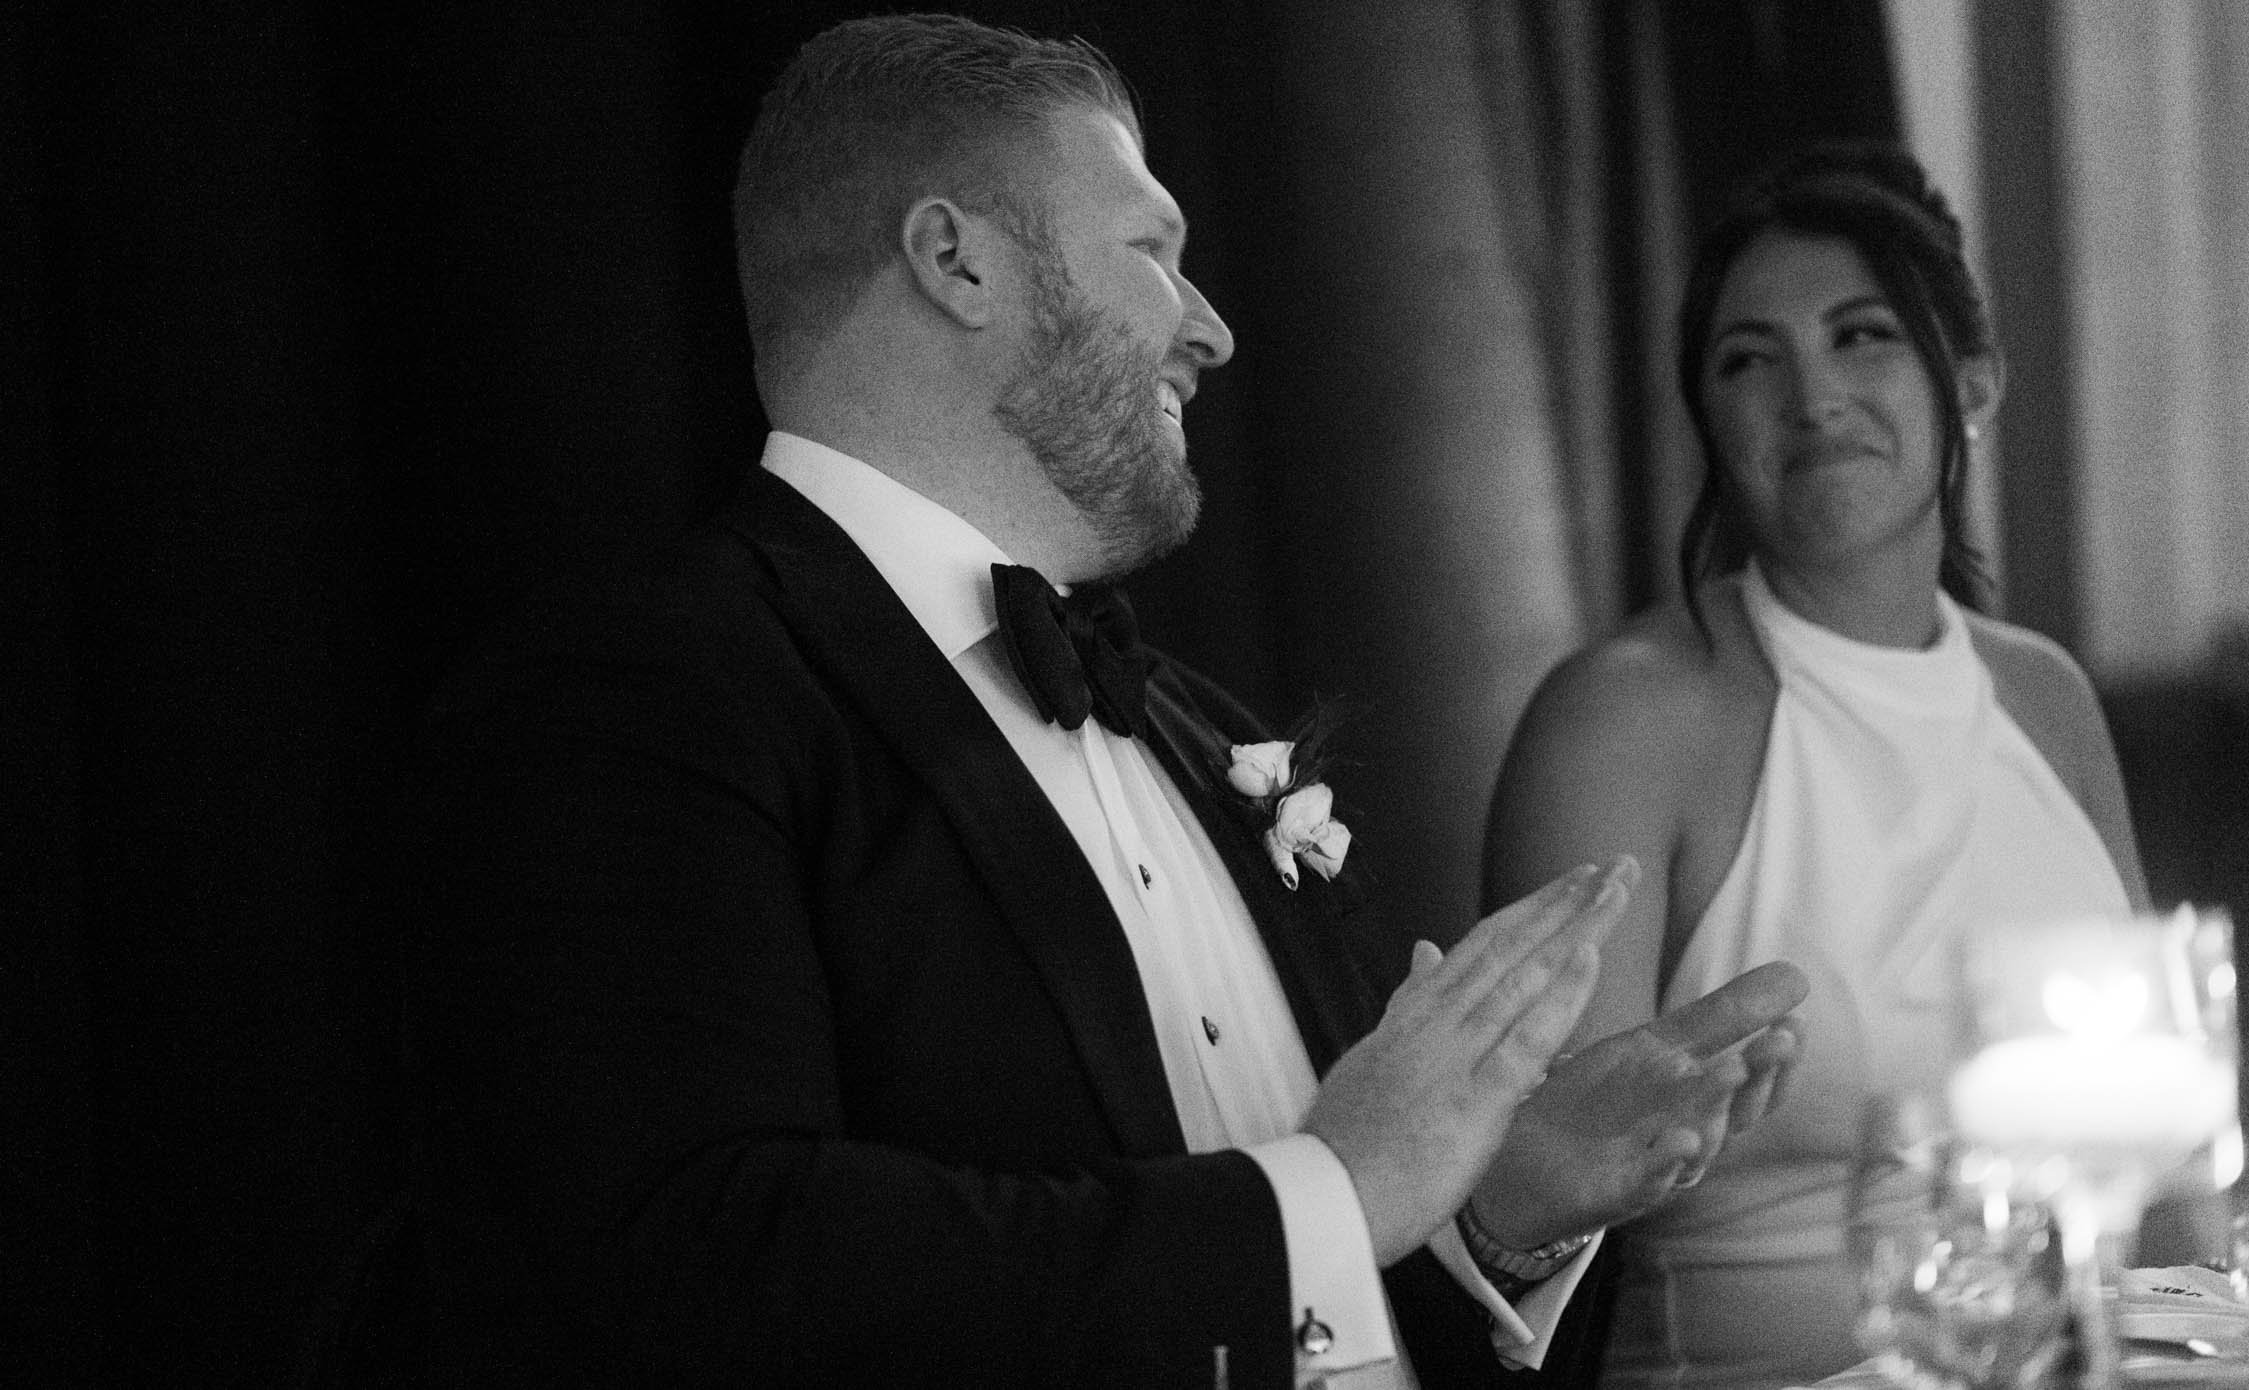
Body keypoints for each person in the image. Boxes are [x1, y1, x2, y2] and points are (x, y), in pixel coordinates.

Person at [406, 15, 1805, 1387]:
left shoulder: (1201, 728)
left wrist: (1495, 1209)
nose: (1212, 331)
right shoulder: (646, 690)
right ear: (956, 261)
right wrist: (1333, 1192)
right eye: (1151, 251)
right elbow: (704, 1269)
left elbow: (1315, 1300)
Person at [1481, 143, 2149, 1390]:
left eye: (1861, 337)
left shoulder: (2044, 697)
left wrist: (2223, 1335)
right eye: (1747, 359)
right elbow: (1529, 1198)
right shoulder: (1623, 719)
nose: (1811, 395)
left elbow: (2160, 1147)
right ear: (1706, 422)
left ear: (1972, 384)